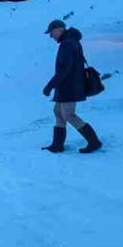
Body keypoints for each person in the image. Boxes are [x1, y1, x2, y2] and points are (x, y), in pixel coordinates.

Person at [42, 19, 102, 154]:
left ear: (58, 29)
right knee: (58, 112)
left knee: (68, 114)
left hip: (70, 86)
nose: (51, 36)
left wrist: (50, 86)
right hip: (66, 86)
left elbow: (65, 69)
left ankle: (94, 142)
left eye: (51, 33)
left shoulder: (68, 44)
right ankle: (57, 145)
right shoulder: (69, 42)